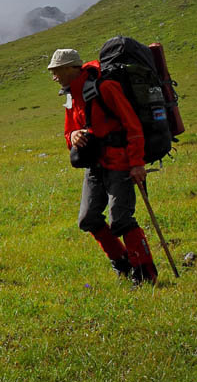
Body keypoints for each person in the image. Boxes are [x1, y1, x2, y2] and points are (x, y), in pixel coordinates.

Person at [48, 48, 158, 285]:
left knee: (121, 219)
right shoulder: (70, 96)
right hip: (94, 165)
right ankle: (123, 265)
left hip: (121, 163)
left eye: (56, 71)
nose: (54, 77)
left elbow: (133, 125)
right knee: (88, 219)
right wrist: (74, 136)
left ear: (71, 68)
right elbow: (68, 133)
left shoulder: (106, 88)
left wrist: (137, 164)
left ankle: (145, 274)